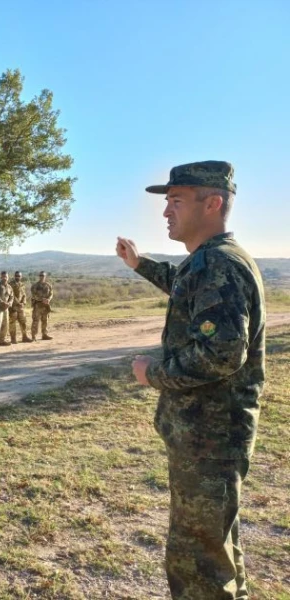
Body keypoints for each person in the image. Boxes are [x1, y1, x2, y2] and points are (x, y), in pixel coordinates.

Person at [117, 160, 264, 599]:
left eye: (176, 201)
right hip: (211, 435)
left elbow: (221, 354)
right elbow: (182, 282)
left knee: (198, 563)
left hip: (210, 436)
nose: (166, 211)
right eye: (167, 202)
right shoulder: (208, 262)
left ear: (212, 203)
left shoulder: (218, 264)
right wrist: (140, 263)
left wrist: (152, 374)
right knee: (215, 546)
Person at [9, 271, 33, 343]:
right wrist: (18, 303)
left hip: (21, 307)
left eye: (19, 276)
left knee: (23, 322)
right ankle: (13, 339)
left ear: (21, 276)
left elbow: (24, 295)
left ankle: (24, 337)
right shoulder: (11, 284)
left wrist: (23, 302)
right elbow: (11, 295)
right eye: (16, 276)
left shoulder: (22, 284)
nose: (17, 277)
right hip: (13, 307)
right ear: (14, 276)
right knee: (12, 323)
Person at [30, 272, 54, 341]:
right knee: (35, 321)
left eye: (43, 275)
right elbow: (33, 295)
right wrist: (42, 299)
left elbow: (51, 294)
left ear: (45, 276)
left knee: (45, 320)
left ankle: (44, 335)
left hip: (46, 306)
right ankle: (33, 336)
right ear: (39, 276)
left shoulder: (48, 285)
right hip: (38, 305)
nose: (42, 277)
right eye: (40, 275)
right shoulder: (35, 285)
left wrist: (48, 299)